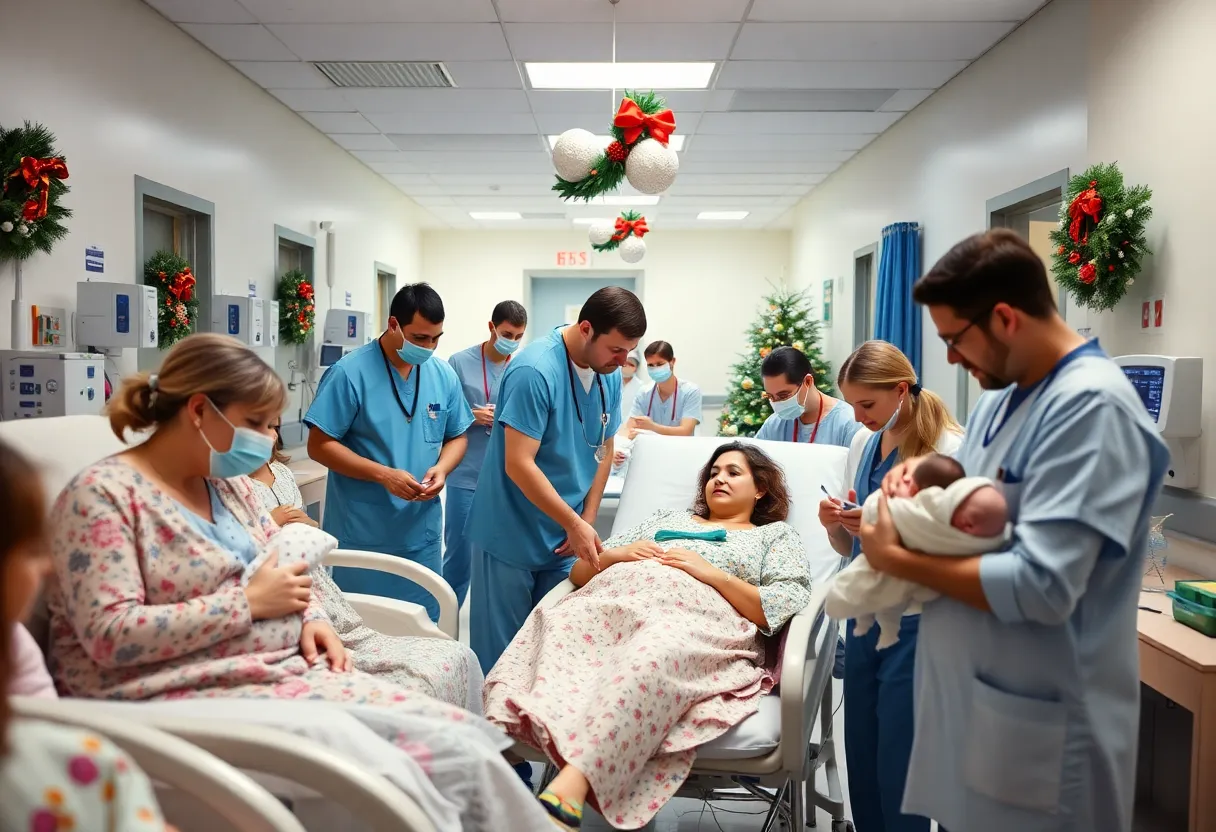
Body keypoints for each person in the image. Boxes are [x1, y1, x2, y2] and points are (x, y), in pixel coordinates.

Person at [46, 334, 549, 831]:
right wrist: (246, 604)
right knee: (411, 773)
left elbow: (282, 556)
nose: (269, 441)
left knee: (462, 741)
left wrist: (313, 618)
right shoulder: (103, 497)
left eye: (270, 425)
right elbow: (109, 633)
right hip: (171, 697)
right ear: (199, 410)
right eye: (255, 424)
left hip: (265, 672)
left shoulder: (227, 485)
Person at [860, 229, 1169, 832]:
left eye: (954, 339)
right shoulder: (999, 400)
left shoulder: (1091, 408)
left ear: (1003, 318)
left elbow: (1042, 587)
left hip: (1041, 737)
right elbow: (974, 515)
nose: (949, 359)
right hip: (977, 715)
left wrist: (898, 560)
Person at [485, 443, 812, 830]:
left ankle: (570, 786)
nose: (718, 478)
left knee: (652, 653)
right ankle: (501, 748)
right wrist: (617, 556)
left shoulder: (772, 537)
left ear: (760, 489)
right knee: (562, 625)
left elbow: (784, 600)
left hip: (690, 618)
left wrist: (713, 574)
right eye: (713, 472)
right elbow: (578, 574)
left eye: (733, 472)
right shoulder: (665, 520)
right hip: (608, 604)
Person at [816, 339, 963, 832]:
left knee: (902, 758)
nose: (858, 417)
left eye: (868, 404)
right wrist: (835, 524)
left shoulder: (948, 449)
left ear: (901, 390)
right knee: (864, 749)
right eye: (853, 404)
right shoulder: (863, 445)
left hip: (919, 625)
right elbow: (847, 549)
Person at [467, 286, 646, 678]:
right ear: (586, 329)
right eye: (616, 349)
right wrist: (574, 522)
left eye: (629, 351)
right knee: (502, 657)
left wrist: (589, 515)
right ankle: (493, 739)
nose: (623, 361)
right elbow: (518, 463)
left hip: (565, 536)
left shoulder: (607, 374)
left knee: (551, 650)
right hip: (510, 532)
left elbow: (605, 442)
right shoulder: (535, 371)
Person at [0, 439, 177, 832]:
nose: (48, 566)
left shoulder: (237, 490)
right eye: (30, 550)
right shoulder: (82, 772)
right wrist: (248, 602)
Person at [249, 425, 485, 712]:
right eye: (254, 423)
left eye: (273, 425)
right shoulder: (231, 490)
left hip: (314, 592)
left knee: (459, 656)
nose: (271, 434)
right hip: (284, 604)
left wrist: (307, 529)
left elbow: (306, 537)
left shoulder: (281, 475)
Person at [305, 283, 475, 622]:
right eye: (419, 338)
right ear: (393, 324)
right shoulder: (349, 374)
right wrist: (383, 475)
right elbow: (319, 445)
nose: (429, 347)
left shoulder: (442, 375)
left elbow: (457, 436)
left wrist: (442, 469)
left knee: (421, 631)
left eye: (436, 338)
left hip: (420, 536)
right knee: (363, 632)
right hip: (364, 537)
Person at [826, 455, 1008, 649]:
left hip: (922, 619)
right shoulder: (867, 443)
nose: (858, 422)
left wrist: (891, 556)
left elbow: (1029, 583)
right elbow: (849, 547)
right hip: (874, 590)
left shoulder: (950, 454)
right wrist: (837, 527)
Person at [444, 300, 528, 608]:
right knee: (459, 555)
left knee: (502, 553)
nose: (513, 342)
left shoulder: (521, 366)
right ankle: (446, 622)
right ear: (491, 327)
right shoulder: (458, 362)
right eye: (507, 334)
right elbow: (443, 414)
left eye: (519, 336)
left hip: (506, 475)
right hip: (465, 473)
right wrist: (472, 416)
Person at [756, 346, 862, 447]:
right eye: (770, 397)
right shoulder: (774, 425)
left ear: (807, 381)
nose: (777, 403)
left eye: (783, 396)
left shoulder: (848, 422)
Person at [624, 341, 702, 439]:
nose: (655, 369)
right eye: (651, 365)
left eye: (660, 364)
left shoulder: (690, 391)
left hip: (681, 450)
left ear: (672, 362)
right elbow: (630, 427)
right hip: (650, 450)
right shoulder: (644, 393)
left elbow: (685, 431)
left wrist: (652, 427)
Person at [618, 351, 644, 425]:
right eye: (625, 363)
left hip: (630, 428)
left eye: (631, 364)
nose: (627, 366)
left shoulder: (641, 387)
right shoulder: (614, 382)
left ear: (636, 368)